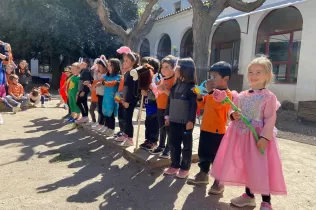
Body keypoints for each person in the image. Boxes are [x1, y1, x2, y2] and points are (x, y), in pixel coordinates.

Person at [211, 56, 287, 210]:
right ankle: (249, 195)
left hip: (257, 138)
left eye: (258, 72)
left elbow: (270, 118)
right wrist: (233, 115)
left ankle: (266, 200)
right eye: (251, 72)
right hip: (241, 137)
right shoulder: (241, 95)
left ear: (268, 76)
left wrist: (265, 137)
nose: (253, 75)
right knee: (247, 165)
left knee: (260, 167)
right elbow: (232, 111)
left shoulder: (269, 97)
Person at [187, 61, 232, 194]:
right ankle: (203, 174)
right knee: (204, 152)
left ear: (226, 78)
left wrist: (211, 92)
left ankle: (219, 181)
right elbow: (202, 106)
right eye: (211, 76)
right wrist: (200, 96)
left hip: (218, 131)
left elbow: (218, 105)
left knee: (217, 156)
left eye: (215, 77)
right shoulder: (210, 93)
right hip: (205, 128)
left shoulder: (227, 94)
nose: (211, 80)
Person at [164, 58, 197, 179]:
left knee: (186, 145)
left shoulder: (192, 88)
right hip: (173, 120)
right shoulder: (175, 85)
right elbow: (169, 102)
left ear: (185, 70)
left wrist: (190, 121)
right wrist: (167, 115)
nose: (175, 69)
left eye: (177, 66)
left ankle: (185, 167)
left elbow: (193, 106)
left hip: (185, 123)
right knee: (173, 144)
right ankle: (175, 164)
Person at [150, 55, 177, 159]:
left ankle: (168, 149)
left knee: (168, 129)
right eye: (162, 67)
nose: (163, 69)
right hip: (159, 107)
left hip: (168, 109)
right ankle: (161, 146)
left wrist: (165, 90)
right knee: (161, 128)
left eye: (167, 67)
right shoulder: (162, 79)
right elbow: (157, 90)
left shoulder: (174, 80)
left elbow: (174, 96)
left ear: (173, 68)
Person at [114, 51, 140, 146]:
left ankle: (130, 139)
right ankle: (125, 134)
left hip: (130, 100)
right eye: (124, 60)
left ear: (133, 62)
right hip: (124, 99)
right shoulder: (127, 73)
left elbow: (132, 89)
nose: (124, 62)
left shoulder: (134, 73)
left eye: (126, 60)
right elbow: (125, 88)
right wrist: (121, 97)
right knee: (124, 118)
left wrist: (128, 101)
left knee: (128, 119)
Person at [139, 57, 160, 151]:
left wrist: (148, 93)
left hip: (155, 107)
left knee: (154, 125)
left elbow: (157, 93)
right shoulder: (146, 78)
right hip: (148, 107)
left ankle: (153, 141)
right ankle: (148, 140)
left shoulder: (157, 78)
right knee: (147, 124)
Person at [99, 58, 121, 137]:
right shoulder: (107, 76)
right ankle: (107, 127)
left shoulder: (118, 77)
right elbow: (100, 81)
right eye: (108, 65)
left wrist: (103, 82)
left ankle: (111, 129)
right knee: (105, 113)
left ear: (116, 67)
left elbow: (110, 84)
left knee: (111, 115)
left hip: (112, 99)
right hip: (106, 98)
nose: (108, 67)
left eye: (110, 66)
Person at [91, 56, 108, 132]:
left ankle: (103, 124)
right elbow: (95, 81)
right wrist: (95, 74)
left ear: (105, 67)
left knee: (103, 111)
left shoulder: (106, 75)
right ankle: (100, 123)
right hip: (99, 94)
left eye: (100, 67)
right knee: (100, 110)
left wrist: (99, 81)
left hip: (104, 94)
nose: (98, 68)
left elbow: (100, 82)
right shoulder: (99, 74)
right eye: (97, 66)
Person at [76, 58, 93, 123]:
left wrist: (83, 91)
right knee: (84, 103)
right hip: (82, 89)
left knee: (78, 102)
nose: (80, 63)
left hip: (83, 90)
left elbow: (87, 82)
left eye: (82, 62)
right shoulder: (84, 70)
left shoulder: (86, 71)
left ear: (85, 64)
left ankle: (84, 116)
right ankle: (85, 117)